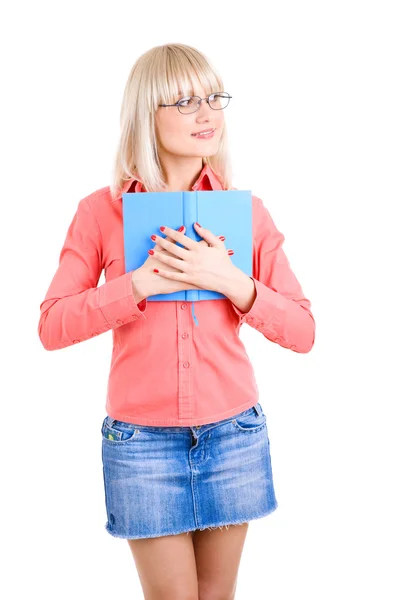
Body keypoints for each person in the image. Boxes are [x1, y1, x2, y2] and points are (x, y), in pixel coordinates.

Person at [38, 43, 315, 600]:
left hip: (234, 433)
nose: (206, 113)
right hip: (140, 443)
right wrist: (138, 285)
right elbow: (51, 326)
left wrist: (230, 280)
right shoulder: (100, 211)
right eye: (185, 101)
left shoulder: (246, 212)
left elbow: (304, 332)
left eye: (214, 98)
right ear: (147, 112)